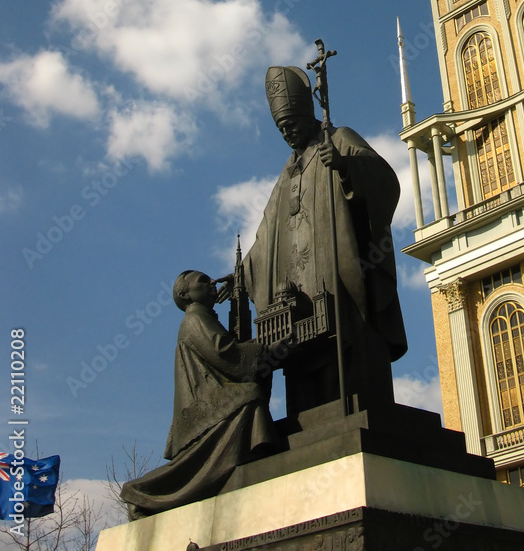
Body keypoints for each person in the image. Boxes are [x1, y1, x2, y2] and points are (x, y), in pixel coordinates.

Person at [244, 65, 407, 417]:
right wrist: (243, 272)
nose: (287, 133)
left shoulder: (340, 139)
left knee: (348, 359)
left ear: (308, 113)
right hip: (298, 297)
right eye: (281, 128)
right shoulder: (287, 174)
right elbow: (265, 234)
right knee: (303, 377)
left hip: (340, 283)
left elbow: (386, 182)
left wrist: (346, 167)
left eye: (292, 124)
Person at [121, 271, 278, 518]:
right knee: (249, 396)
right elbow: (225, 354)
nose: (212, 283)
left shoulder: (205, 317)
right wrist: (267, 349)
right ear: (185, 295)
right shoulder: (194, 320)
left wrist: (242, 276)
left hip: (214, 391)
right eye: (203, 282)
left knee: (249, 394)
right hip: (204, 401)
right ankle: (142, 493)